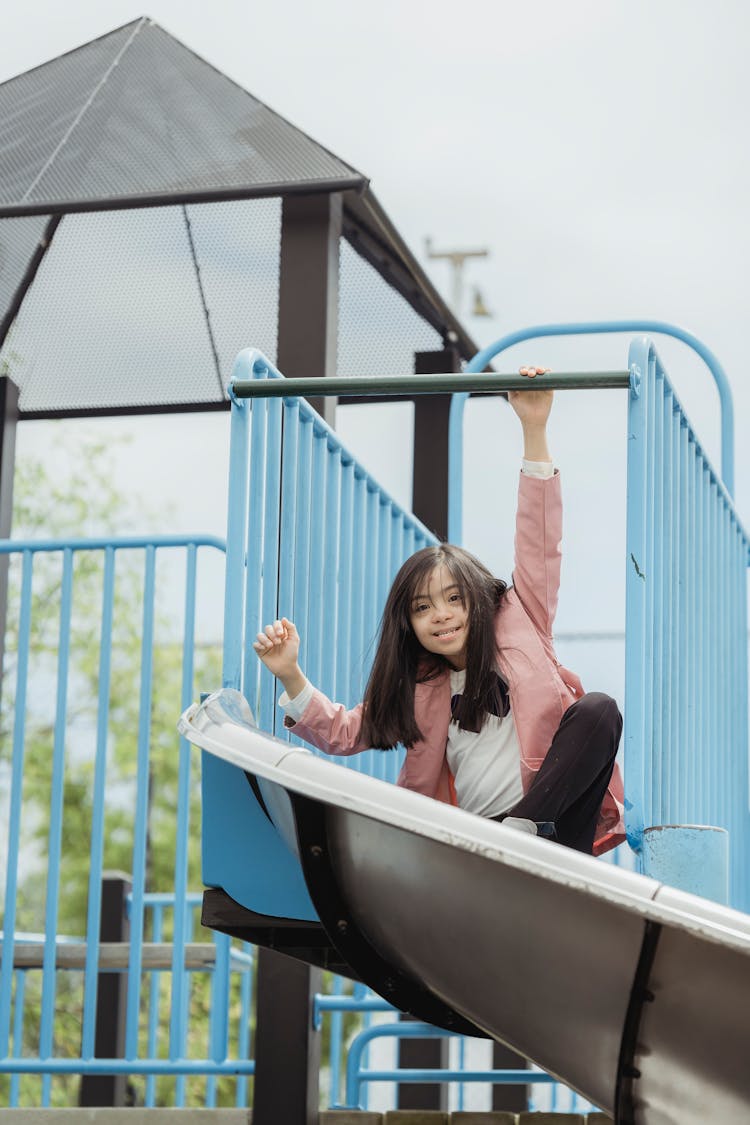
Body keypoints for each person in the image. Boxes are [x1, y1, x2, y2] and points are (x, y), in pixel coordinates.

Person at [253, 369, 625, 856]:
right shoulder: (421, 689)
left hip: (550, 826)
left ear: (479, 600)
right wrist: (291, 676)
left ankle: (524, 828)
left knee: (598, 709)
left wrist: (534, 428)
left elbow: (539, 543)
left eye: (454, 599)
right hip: (474, 839)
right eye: (422, 608)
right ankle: (505, 840)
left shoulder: (522, 619)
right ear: (407, 625)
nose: (442, 615)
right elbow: (345, 733)